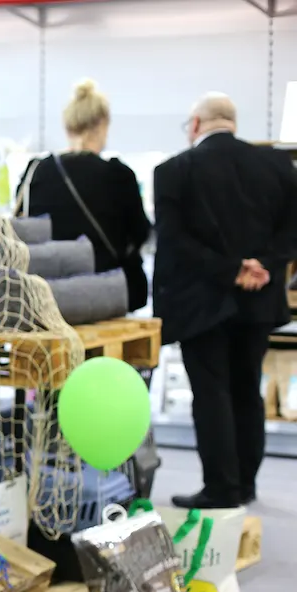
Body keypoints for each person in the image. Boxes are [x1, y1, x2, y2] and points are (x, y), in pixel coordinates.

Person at [153, 92, 297, 509]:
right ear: (232, 122)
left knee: (211, 393)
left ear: (196, 124)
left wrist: (229, 269)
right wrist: (263, 265)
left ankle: (221, 487)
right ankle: (246, 483)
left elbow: (173, 240)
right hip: (259, 300)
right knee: (247, 389)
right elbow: (292, 230)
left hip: (202, 302)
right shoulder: (276, 166)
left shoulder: (174, 171)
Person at [16, 80, 151, 312]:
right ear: (103, 124)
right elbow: (140, 233)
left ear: (68, 127)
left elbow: (25, 228)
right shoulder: (118, 174)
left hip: (50, 295)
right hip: (107, 291)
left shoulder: (36, 170)